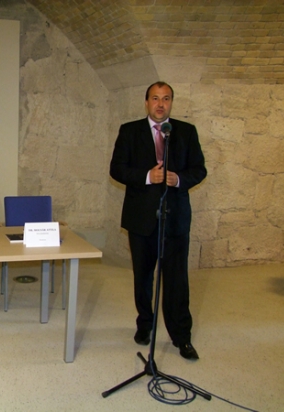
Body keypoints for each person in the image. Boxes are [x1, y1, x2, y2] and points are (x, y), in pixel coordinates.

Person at [109, 81, 207, 360]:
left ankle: (181, 336)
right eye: (155, 98)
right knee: (143, 277)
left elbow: (199, 169)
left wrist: (179, 179)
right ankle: (145, 324)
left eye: (166, 99)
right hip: (141, 218)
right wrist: (146, 176)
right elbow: (117, 169)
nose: (160, 104)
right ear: (146, 102)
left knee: (177, 280)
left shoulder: (186, 132)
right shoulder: (129, 131)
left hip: (175, 219)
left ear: (171, 102)